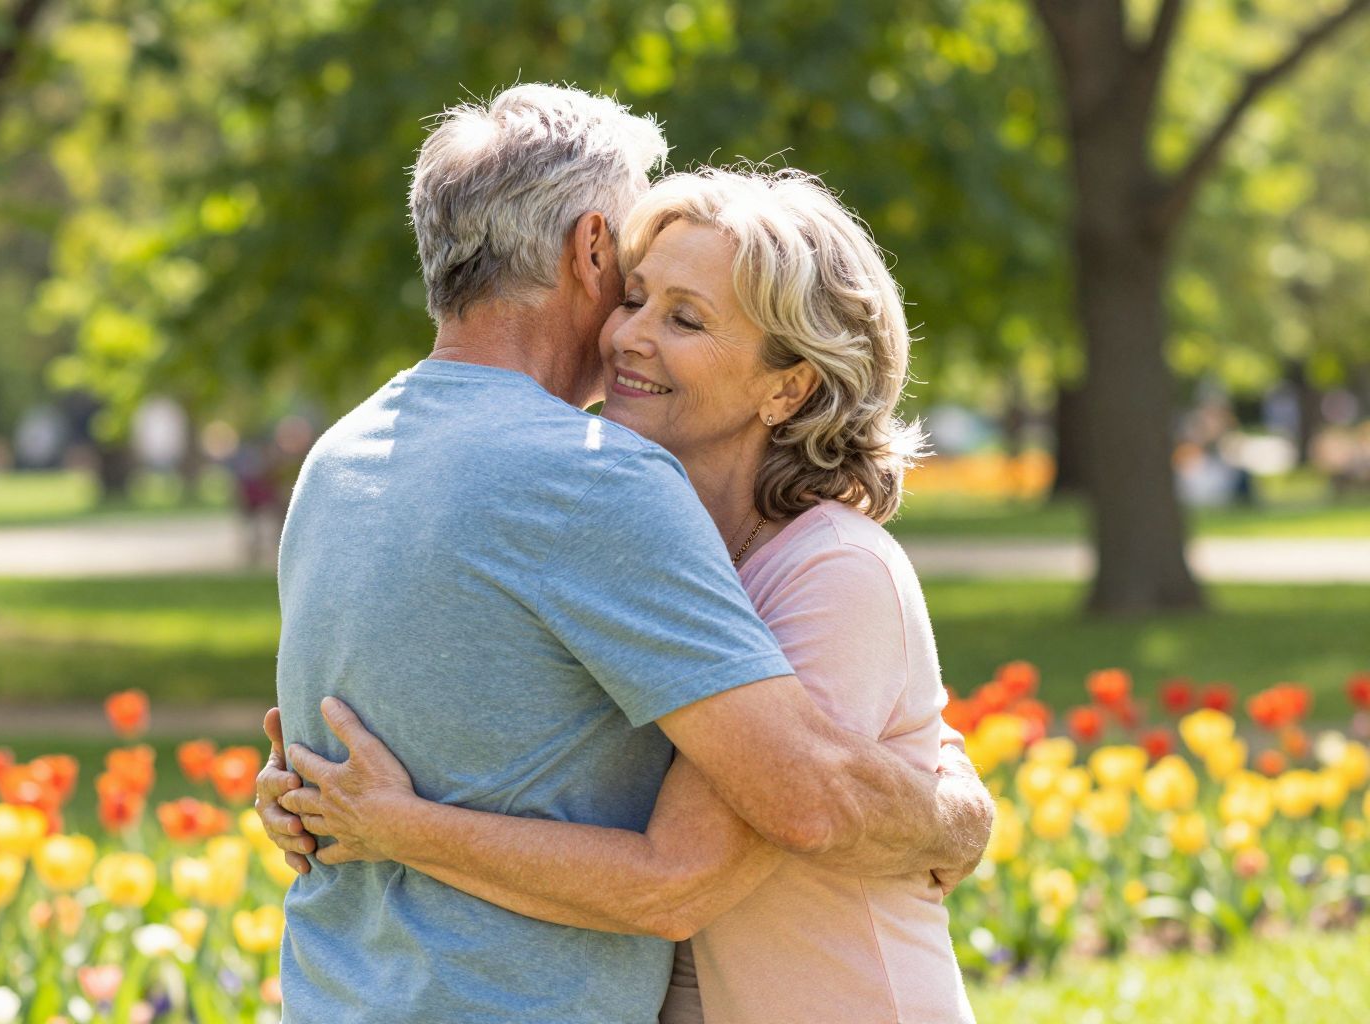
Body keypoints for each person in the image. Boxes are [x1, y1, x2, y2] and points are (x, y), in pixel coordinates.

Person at [260, 84, 991, 1024]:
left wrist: (358, 814)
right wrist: (953, 814)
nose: (632, 331)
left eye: (685, 317)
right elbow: (766, 816)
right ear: (591, 249)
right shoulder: (590, 481)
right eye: (636, 291)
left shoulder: (346, 456)